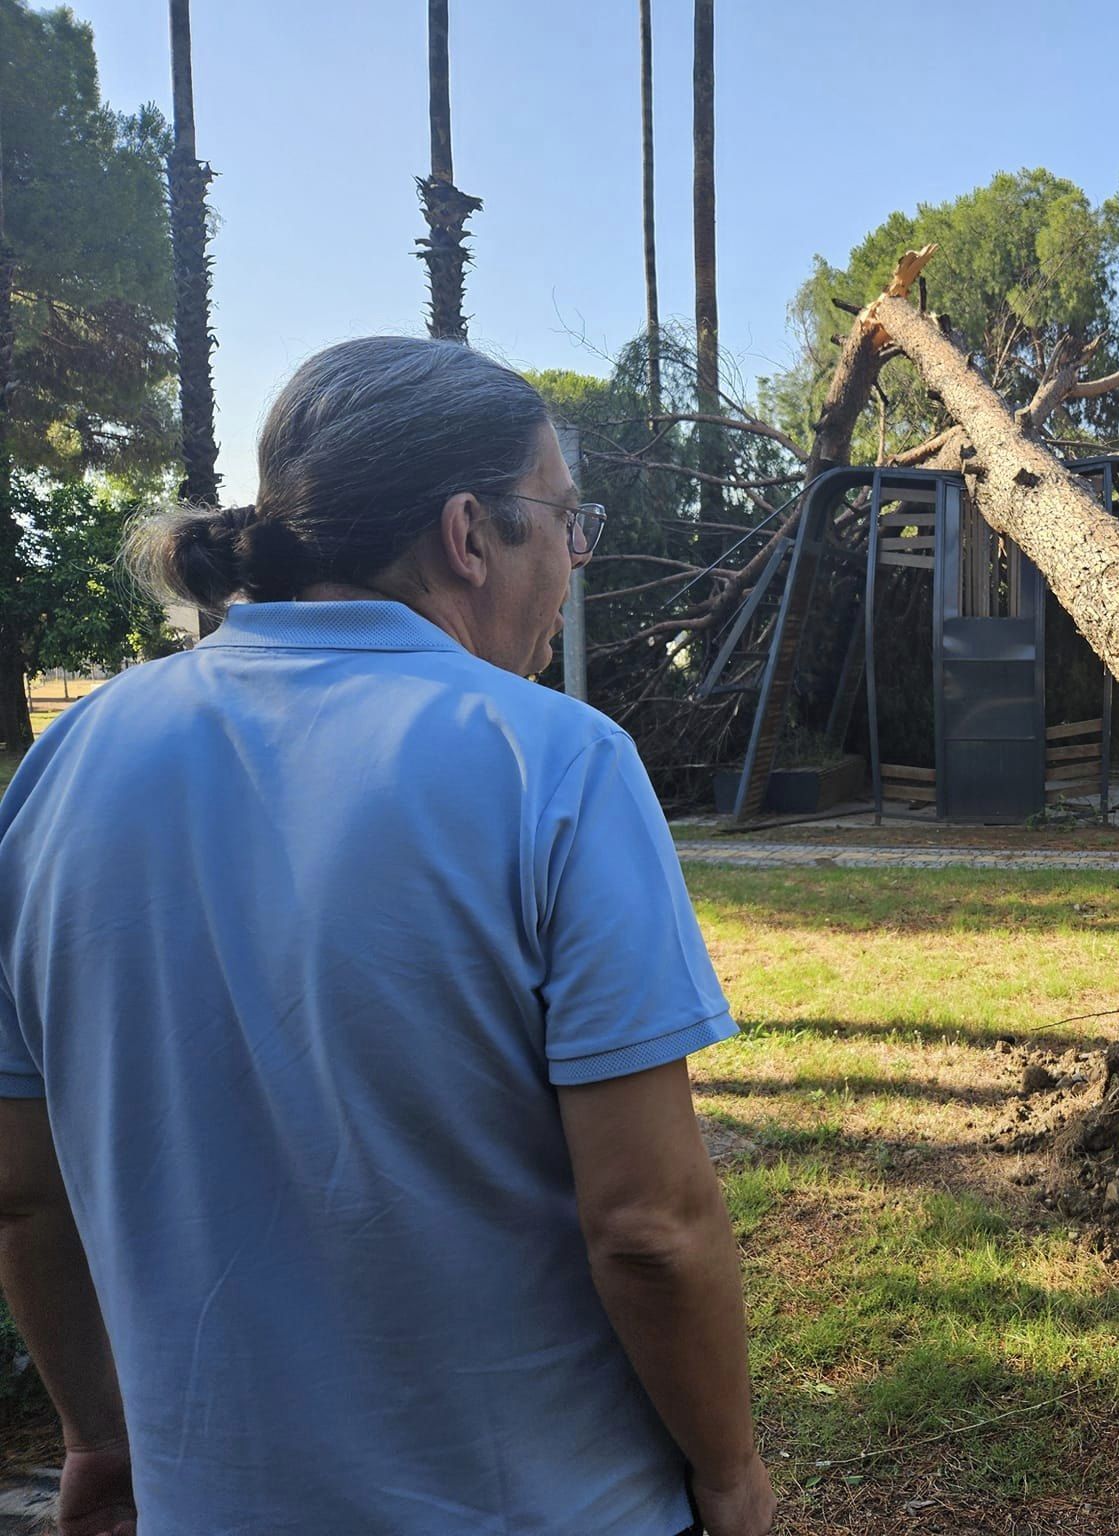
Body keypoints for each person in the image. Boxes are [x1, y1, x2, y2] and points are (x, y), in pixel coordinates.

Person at [0, 337, 775, 1536]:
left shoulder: (68, 763)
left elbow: (22, 1194)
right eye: (566, 522)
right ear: (470, 533)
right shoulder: (554, 763)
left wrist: (100, 1438)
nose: (574, 561)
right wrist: (729, 1476)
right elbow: (650, 1229)